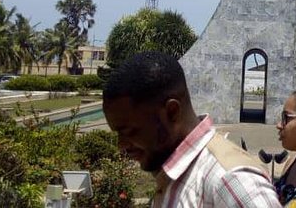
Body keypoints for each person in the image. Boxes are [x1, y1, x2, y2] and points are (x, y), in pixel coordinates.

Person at [102, 51, 281, 208]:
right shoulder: (177, 173)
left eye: (130, 132)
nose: (121, 145)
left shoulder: (231, 181)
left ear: (172, 112)